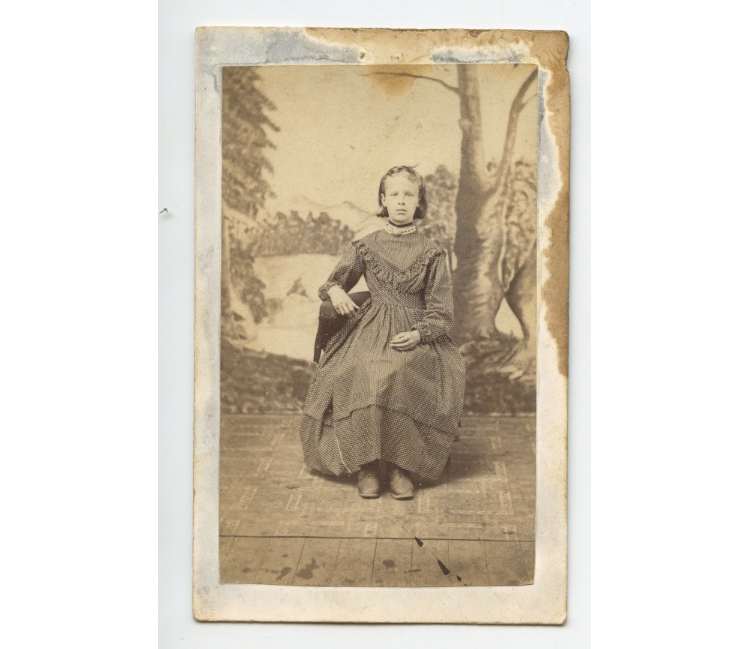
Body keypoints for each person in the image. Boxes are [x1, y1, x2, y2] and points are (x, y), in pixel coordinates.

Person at [298, 166, 466, 499]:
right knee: (359, 369)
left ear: (419, 202)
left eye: (409, 195)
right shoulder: (366, 246)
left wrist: (419, 334)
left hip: (415, 332)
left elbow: (442, 311)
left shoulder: (432, 252)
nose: (401, 201)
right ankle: (368, 464)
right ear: (383, 200)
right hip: (369, 327)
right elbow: (332, 282)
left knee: (400, 371)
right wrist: (336, 291)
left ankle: (401, 464)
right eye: (394, 194)